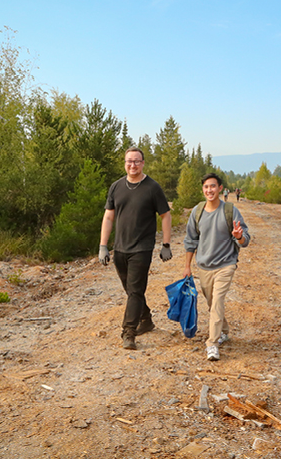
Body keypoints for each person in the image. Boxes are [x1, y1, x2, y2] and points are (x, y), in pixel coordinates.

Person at [99, 147, 173, 350]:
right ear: (125, 163)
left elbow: (165, 215)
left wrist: (166, 244)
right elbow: (108, 216)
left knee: (135, 290)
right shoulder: (116, 187)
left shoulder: (152, 188)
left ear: (143, 163)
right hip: (120, 247)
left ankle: (129, 332)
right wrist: (103, 246)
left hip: (142, 248)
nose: (133, 165)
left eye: (137, 161)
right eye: (129, 161)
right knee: (132, 290)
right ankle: (146, 318)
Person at [183, 173, 250, 361]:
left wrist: (238, 236)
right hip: (204, 266)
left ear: (220, 188)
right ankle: (224, 331)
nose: (209, 190)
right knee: (212, 303)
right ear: (203, 189)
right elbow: (190, 241)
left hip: (226, 264)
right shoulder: (197, 212)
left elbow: (245, 240)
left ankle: (212, 343)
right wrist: (187, 266)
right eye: (206, 187)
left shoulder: (230, 210)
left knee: (218, 301)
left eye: (213, 186)